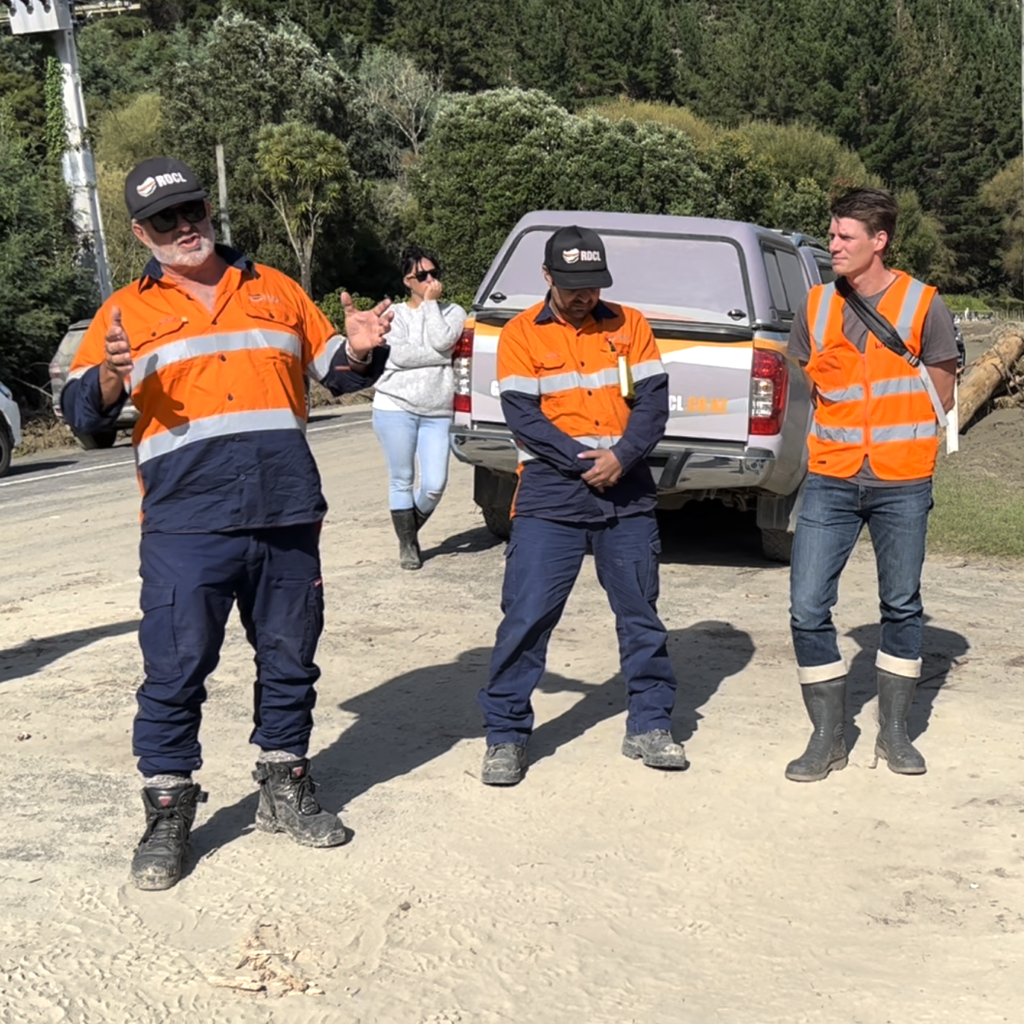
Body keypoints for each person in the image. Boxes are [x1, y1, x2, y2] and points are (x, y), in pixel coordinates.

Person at [61, 157, 393, 890]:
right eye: (164, 221)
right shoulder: (123, 311)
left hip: (285, 512)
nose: (184, 228)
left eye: (192, 212)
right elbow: (84, 417)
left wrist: (364, 347)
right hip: (186, 522)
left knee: (289, 657)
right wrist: (115, 375)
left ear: (209, 210)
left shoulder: (274, 288)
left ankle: (284, 784)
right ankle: (169, 810)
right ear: (141, 233)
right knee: (176, 669)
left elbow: (337, 370)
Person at [476, 225, 688, 786]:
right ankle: (505, 736)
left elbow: (654, 405)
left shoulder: (631, 325)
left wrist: (620, 456)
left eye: (592, 285)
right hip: (550, 492)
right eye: (572, 285)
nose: (583, 296)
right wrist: (582, 459)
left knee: (640, 614)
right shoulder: (521, 335)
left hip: (627, 490)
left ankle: (649, 725)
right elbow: (523, 416)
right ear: (546, 277)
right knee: (527, 616)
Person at [784, 187, 959, 783]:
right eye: (831, 235)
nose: (833, 245)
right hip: (831, 477)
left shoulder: (924, 305)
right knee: (807, 608)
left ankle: (894, 733)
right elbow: (810, 378)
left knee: (901, 606)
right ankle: (827, 736)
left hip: (901, 480)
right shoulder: (814, 306)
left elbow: (942, 390)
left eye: (845, 237)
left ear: (879, 241)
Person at [372, 247, 466, 569]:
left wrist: (430, 306)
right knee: (402, 478)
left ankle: (407, 532)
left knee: (435, 484)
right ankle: (408, 546)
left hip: (438, 410)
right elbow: (400, 355)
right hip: (395, 406)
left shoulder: (453, 311)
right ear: (407, 281)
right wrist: (442, 356)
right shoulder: (393, 315)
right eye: (422, 275)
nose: (430, 279)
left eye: (434, 272)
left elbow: (441, 341)